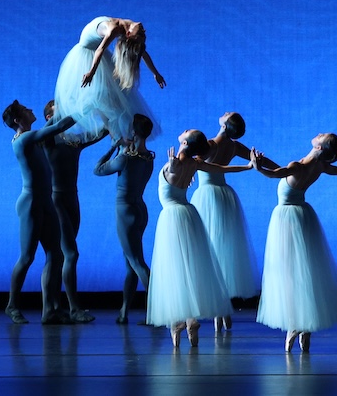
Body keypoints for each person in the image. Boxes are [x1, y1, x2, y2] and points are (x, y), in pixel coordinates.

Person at [251, 133, 337, 352]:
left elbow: (274, 174)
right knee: (303, 271)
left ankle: (294, 324)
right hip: (303, 217)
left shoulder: (298, 165)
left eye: (321, 136)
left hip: (286, 220)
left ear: (319, 146)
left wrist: (257, 167)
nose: (317, 135)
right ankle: (304, 326)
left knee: (288, 272)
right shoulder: (320, 166)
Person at [146, 129, 252, 348]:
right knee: (190, 267)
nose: (183, 130)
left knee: (175, 270)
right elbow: (222, 168)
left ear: (184, 141)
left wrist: (172, 167)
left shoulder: (176, 164)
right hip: (189, 215)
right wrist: (248, 166)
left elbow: (175, 172)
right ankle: (190, 319)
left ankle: (179, 322)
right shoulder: (194, 163)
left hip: (172, 218)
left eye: (186, 132)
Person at [189, 112, 279, 333]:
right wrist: (280, 170)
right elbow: (258, 159)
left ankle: (218, 307)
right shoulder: (234, 146)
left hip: (207, 197)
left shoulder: (210, 144)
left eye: (227, 115)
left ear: (225, 123)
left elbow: (195, 160)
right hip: (224, 197)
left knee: (209, 252)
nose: (224, 113)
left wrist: (188, 169)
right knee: (223, 251)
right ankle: (223, 309)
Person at [2, 100, 76, 324]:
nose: (32, 110)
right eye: (26, 110)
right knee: (27, 257)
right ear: (17, 120)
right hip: (31, 203)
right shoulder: (23, 139)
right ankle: (12, 305)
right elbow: (57, 127)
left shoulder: (33, 137)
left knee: (57, 254)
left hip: (45, 202)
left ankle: (51, 309)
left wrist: (70, 103)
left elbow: (53, 122)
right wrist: (83, 107)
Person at [42, 101, 107, 324]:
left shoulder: (73, 139)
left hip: (72, 198)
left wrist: (108, 113)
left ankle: (54, 308)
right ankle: (73, 308)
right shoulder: (46, 137)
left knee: (63, 256)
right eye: (57, 108)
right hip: (56, 200)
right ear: (49, 116)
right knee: (70, 253)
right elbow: (58, 124)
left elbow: (100, 132)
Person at [53, 17, 165, 142]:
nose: (144, 30)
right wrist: (92, 71)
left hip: (96, 55)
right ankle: (117, 136)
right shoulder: (118, 28)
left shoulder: (119, 29)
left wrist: (156, 73)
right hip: (88, 55)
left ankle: (120, 136)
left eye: (141, 34)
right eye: (142, 33)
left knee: (112, 99)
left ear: (128, 34)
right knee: (101, 99)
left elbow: (142, 53)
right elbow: (100, 49)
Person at [93, 114, 156, 325]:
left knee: (137, 262)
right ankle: (124, 311)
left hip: (125, 211)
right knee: (131, 262)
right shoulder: (149, 157)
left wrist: (115, 146)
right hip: (140, 209)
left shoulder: (125, 158)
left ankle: (155, 311)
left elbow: (98, 169)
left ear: (133, 133)